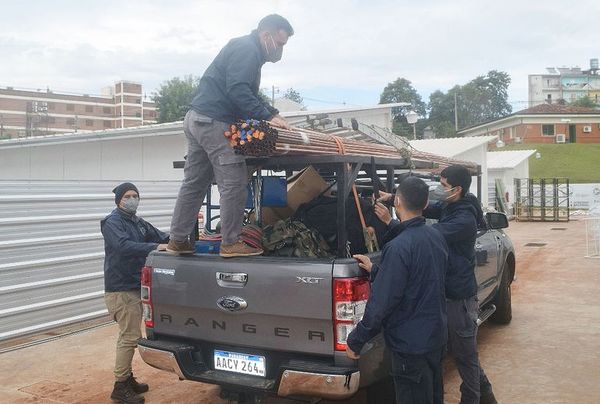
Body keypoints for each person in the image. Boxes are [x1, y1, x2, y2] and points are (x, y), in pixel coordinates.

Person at [167, 14, 294, 258]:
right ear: (265, 35)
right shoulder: (248, 49)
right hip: (214, 121)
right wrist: (266, 117)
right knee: (233, 184)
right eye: (280, 43)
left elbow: (243, 91)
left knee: (194, 184)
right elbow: (237, 90)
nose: (280, 50)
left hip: (197, 118)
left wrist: (272, 112)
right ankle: (231, 243)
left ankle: (178, 239)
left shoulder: (243, 48)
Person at [375, 166, 498, 404]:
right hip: (447, 291)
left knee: (465, 356)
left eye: (443, 186)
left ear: (457, 189)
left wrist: (392, 222)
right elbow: (427, 207)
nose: (439, 190)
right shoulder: (454, 204)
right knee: (457, 352)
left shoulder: (463, 219)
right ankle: (486, 396)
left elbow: (425, 235)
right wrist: (392, 198)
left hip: (459, 296)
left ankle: (474, 399)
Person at [347, 177, 448, 404]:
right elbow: (419, 277)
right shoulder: (436, 237)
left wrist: (356, 340)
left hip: (410, 345)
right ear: (425, 204)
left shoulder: (399, 247)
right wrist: (377, 270)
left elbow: (382, 302)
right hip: (435, 337)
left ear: (398, 201)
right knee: (432, 396)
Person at [101, 182, 169, 404]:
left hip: (133, 285)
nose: (132, 199)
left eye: (135, 195)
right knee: (129, 337)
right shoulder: (112, 223)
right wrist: (154, 247)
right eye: (128, 196)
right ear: (119, 200)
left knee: (129, 335)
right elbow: (122, 246)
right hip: (120, 288)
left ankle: (127, 378)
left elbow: (160, 236)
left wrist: (182, 237)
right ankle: (120, 387)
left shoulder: (138, 222)